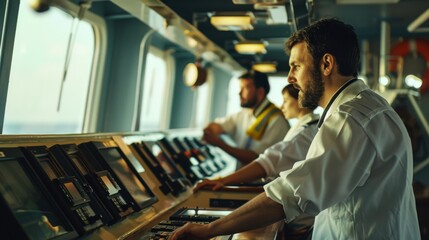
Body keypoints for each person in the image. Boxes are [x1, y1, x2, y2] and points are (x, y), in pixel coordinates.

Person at [169, 18, 420, 239]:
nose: (290, 77)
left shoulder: (349, 119)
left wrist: (210, 230)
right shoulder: (373, 105)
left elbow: (290, 195)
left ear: (326, 64)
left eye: (296, 66)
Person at [195, 84, 319, 191]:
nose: (282, 107)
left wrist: (222, 181)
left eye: (285, 101)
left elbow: (268, 162)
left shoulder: (303, 132)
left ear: (300, 100)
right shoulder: (307, 126)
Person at [203, 70, 290, 168]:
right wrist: (210, 131)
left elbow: (256, 158)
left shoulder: (277, 121)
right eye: (240, 88)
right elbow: (219, 125)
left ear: (260, 92)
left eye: (245, 88)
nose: (239, 93)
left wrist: (220, 144)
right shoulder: (244, 114)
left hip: (261, 182)